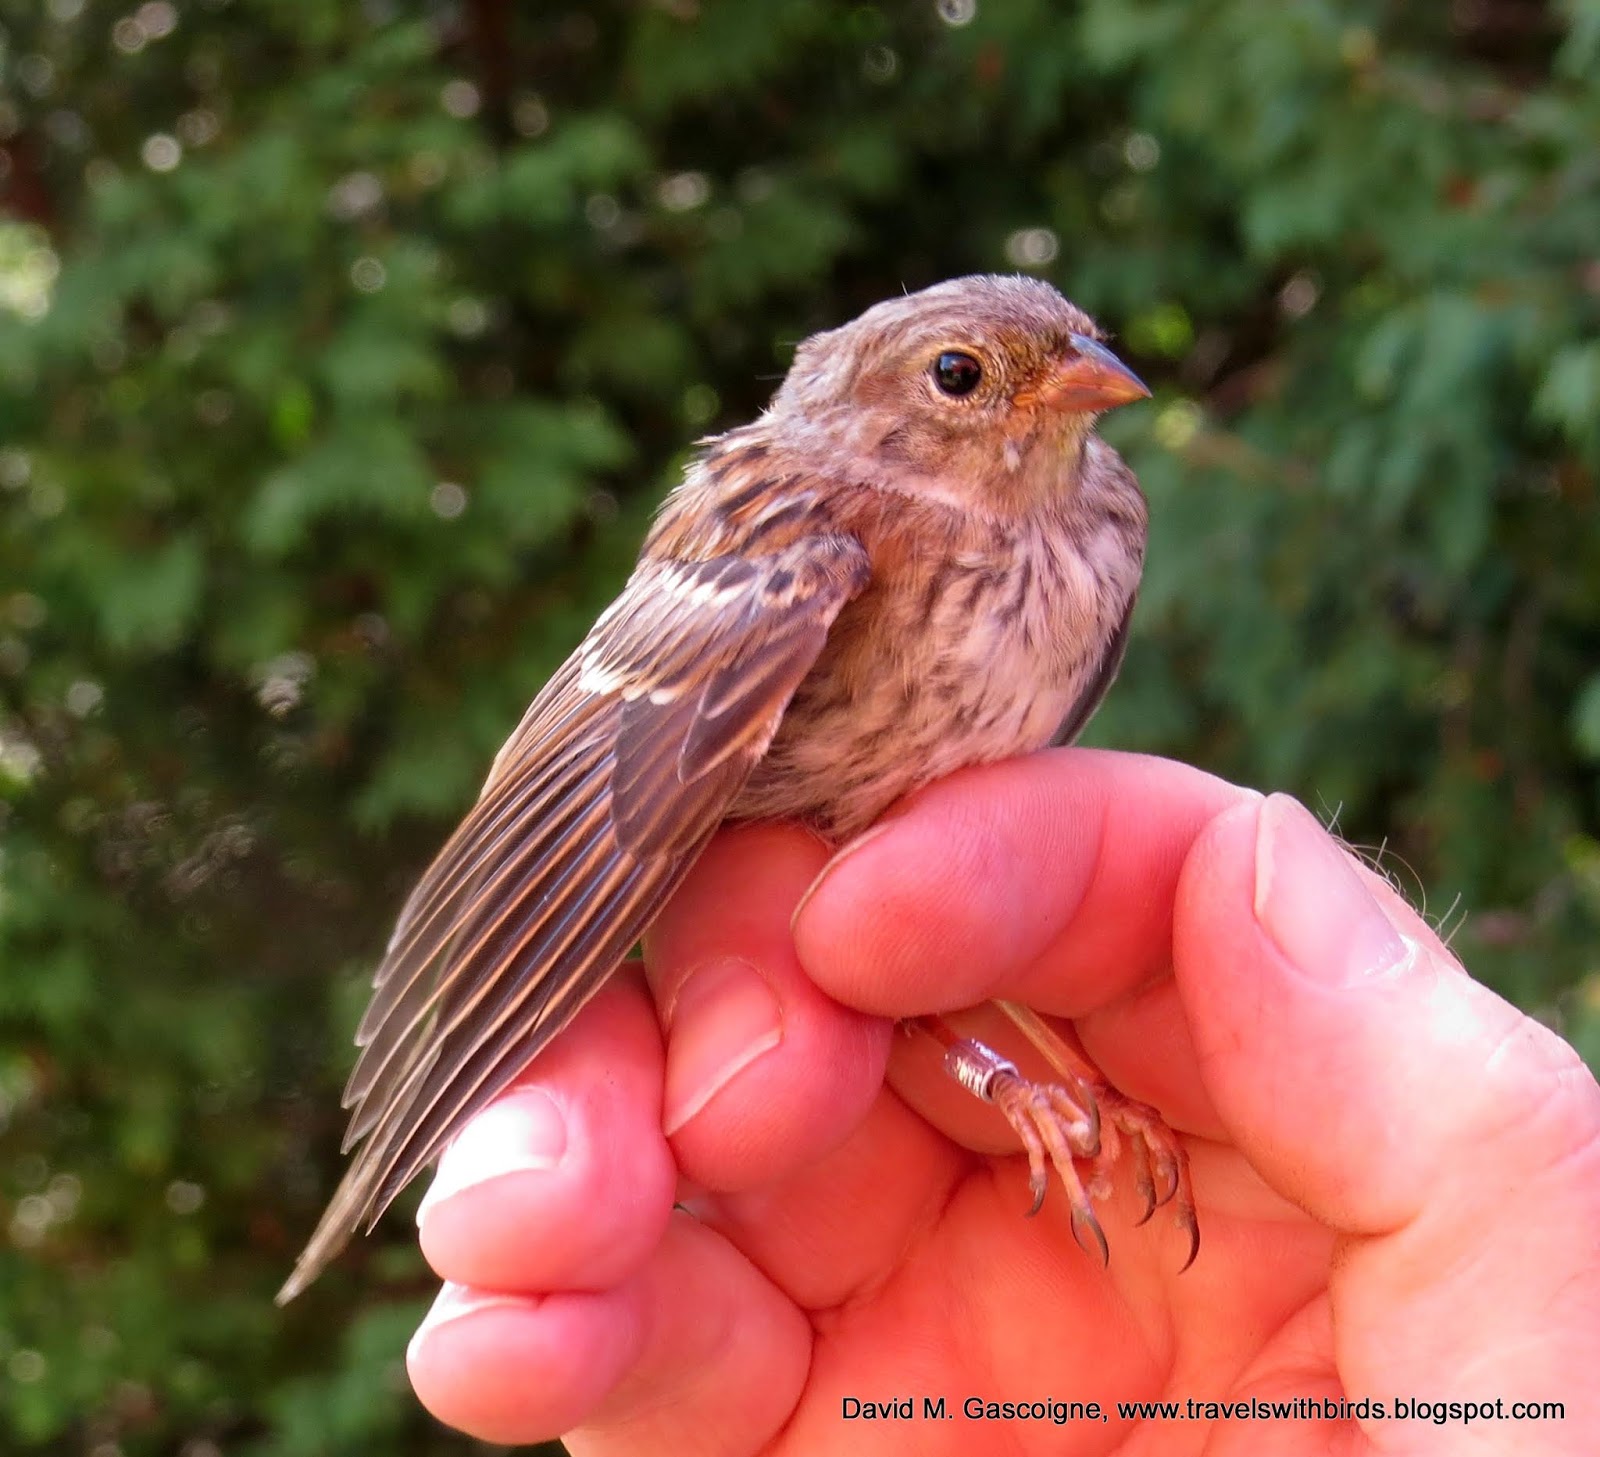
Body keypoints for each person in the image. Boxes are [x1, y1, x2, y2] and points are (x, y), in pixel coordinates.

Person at [399, 751, 1600, 1453]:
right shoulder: (824, 523)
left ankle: (1016, 1081)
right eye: (973, 378)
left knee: (893, 944)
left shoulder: (1095, 526)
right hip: (830, 903)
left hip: (976, 967)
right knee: (849, 958)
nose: (1078, 387)